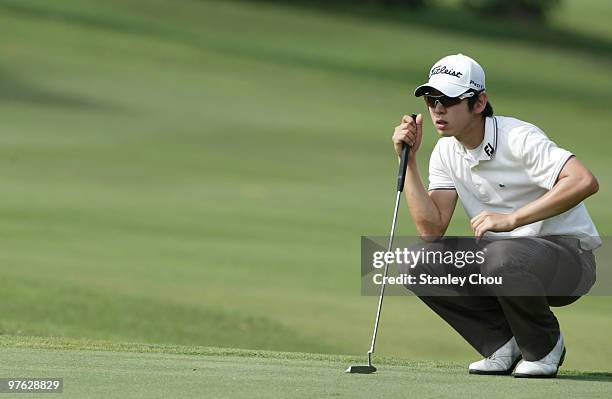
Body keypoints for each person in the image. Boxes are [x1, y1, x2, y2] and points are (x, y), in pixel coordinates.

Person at [391, 54, 600, 378]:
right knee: (417, 260)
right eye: (432, 100)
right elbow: (431, 229)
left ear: (479, 102)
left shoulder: (519, 137)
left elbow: (584, 181)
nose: (438, 109)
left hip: (570, 261)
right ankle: (501, 343)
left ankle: (544, 346)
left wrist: (514, 219)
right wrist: (411, 161)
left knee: (500, 255)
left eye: (449, 99)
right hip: (504, 261)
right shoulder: (446, 151)